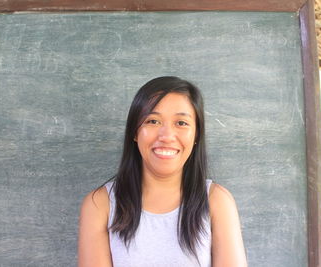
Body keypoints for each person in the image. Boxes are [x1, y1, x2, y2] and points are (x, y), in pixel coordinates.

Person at [78, 76, 247, 267]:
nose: (166, 136)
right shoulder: (100, 204)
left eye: (181, 123)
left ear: (196, 134)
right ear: (134, 131)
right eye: (153, 121)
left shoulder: (217, 201)